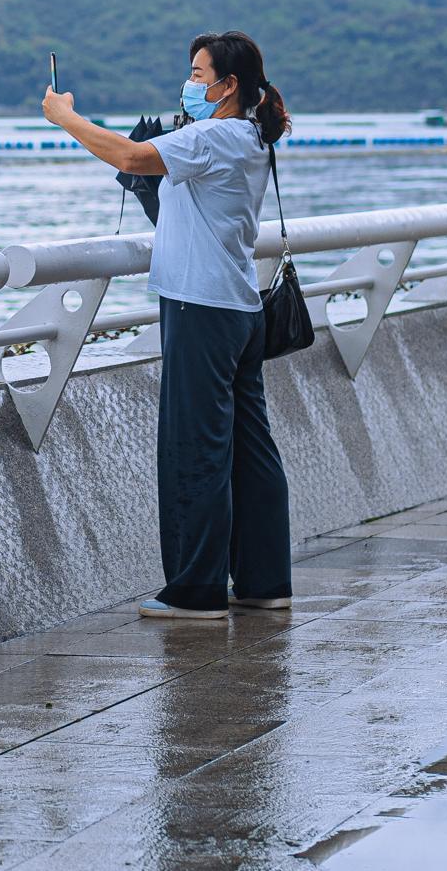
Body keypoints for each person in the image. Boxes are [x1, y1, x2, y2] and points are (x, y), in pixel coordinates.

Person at [42, 30, 293, 622]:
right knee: (250, 451)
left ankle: (195, 590)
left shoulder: (214, 135)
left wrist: (64, 117)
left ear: (230, 86)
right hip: (239, 308)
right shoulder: (248, 135)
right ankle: (264, 581)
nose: (191, 84)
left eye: (200, 75)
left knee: (194, 450)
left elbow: (130, 158)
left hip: (200, 309)